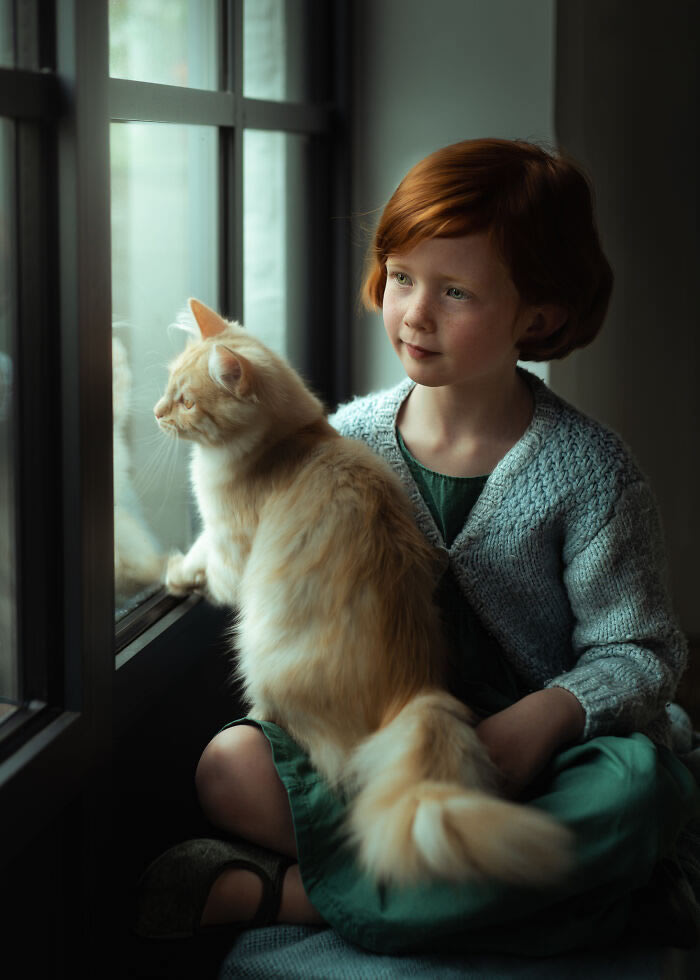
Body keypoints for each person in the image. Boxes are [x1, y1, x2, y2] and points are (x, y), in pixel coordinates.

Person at [134, 138, 699, 954]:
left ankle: (308, 896)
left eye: (456, 291)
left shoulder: (592, 471)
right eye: (402, 277)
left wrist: (544, 719)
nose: (414, 313)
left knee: (642, 791)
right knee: (229, 766)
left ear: (537, 314)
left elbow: (643, 651)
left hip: (539, 760)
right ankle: (582, 897)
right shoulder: (347, 438)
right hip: (392, 744)